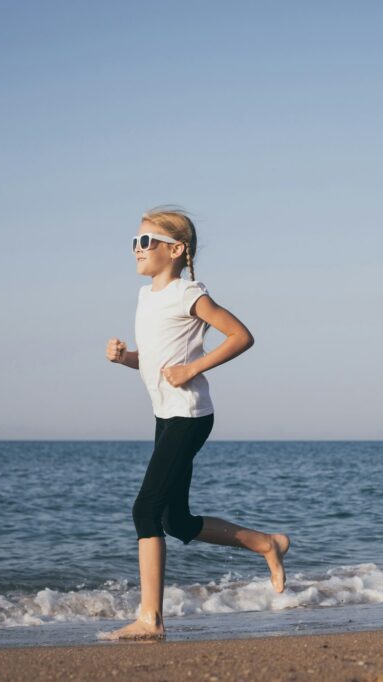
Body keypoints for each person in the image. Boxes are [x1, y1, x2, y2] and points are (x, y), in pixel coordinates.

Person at [102, 207, 290, 640]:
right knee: (176, 521)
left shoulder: (189, 293)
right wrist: (125, 358)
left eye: (146, 242)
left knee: (145, 510)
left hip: (189, 416)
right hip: (165, 415)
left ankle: (151, 620)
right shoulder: (146, 296)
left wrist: (192, 369)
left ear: (176, 249)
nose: (137, 250)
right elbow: (154, 362)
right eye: (134, 242)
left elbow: (241, 336)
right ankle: (267, 544)